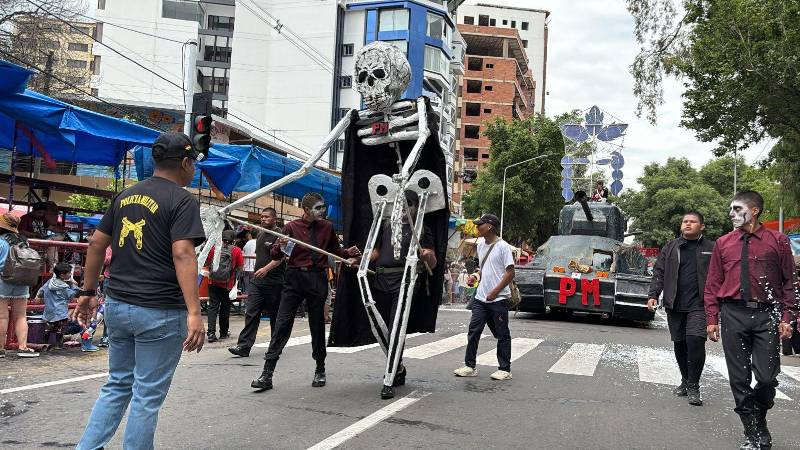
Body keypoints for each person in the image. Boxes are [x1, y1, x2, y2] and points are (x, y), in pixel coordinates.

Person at [73, 131, 207, 450]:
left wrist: (88, 292)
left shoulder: (125, 196)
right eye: (193, 165)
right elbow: (183, 253)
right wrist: (194, 312)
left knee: (117, 384)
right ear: (186, 163)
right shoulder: (183, 200)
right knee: (146, 396)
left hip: (117, 305)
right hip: (160, 309)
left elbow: (95, 243)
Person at [704, 190, 798, 450]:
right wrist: (712, 317)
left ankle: (760, 414)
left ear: (754, 211)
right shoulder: (723, 243)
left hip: (767, 315)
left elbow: (790, 281)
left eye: (737, 209)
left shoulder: (778, 241)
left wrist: (788, 317)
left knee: (767, 378)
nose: (731, 214)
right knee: (739, 378)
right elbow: (713, 283)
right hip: (733, 314)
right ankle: (752, 431)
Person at [251, 192, 360, 391]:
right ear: (307, 210)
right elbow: (275, 253)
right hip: (293, 279)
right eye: (318, 208)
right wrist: (281, 246)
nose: (322, 211)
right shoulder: (291, 227)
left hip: (316, 279)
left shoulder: (327, 227)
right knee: (282, 324)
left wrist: (348, 255)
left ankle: (320, 369)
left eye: (323, 207)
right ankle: (267, 374)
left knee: (317, 326)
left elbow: (335, 251)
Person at [369, 190, 437, 399]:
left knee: (396, 325)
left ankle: (388, 379)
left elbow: (432, 262)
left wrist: (427, 255)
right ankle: (397, 367)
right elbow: (376, 253)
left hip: (406, 281)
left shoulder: (422, 231)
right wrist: (359, 258)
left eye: (409, 203)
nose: (404, 207)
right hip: (381, 282)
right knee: (380, 327)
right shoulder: (387, 226)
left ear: (417, 206)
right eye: (401, 203)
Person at [646, 211, 715, 406]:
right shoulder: (671, 247)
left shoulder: (712, 248)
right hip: (674, 303)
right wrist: (653, 295)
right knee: (680, 343)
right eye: (685, 221)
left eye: (693, 222)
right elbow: (659, 271)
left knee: (695, 341)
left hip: (700, 305)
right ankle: (685, 380)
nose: (688, 224)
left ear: (702, 226)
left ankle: (694, 385)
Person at [454, 213, 515, 380]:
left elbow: (510, 273)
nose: (477, 227)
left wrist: (495, 291)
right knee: (474, 331)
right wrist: (476, 275)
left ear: (489, 226)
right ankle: (469, 366)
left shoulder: (503, 247)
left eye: (480, 224)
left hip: (499, 299)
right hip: (481, 298)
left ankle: (505, 369)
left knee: (502, 334)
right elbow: (484, 267)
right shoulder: (480, 245)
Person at [229, 207, 286, 357]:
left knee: (275, 316)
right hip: (257, 281)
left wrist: (266, 269)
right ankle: (244, 346)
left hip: (274, 282)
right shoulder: (260, 234)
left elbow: (281, 258)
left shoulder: (280, 234)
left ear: (275, 219)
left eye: (267, 217)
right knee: (251, 312)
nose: (263, 219)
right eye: (262, 217)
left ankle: (275, 346)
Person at [0, 213, 39, 358]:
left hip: (2, 280)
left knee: (2, 317)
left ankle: (0, 349)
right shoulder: (24, 241)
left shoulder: (0, 242)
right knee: (21, 316)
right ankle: (23, 347)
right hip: (22, 281)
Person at [205, 229, 244, 342]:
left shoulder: (213, 248)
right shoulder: (236, 250)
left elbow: (207, 263)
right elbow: (240, 267)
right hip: (228, 284)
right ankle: (223, 332)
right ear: (233, 239)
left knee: (212, 307)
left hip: (212, 282)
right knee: (225, 308)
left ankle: (211, 333)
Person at [37, 262, 80, 350]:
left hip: (49, 311)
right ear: (62, 275)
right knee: (60, 329)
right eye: (69, 273)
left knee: (48, 328)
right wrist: (74, 286)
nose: (70, 274)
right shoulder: (64, 286)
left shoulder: (49, 282)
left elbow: (41, 291)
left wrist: (40, 297)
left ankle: (44, 344)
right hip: (60, 312)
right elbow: (71, 295)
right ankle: (58, 345)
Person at [240, 229, 257, 295]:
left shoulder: (248, 243)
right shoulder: (258, 242)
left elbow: (244, 251)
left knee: (246, 287)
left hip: (246, 268)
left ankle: (246, 301)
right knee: (254, 288)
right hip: (255, 268)